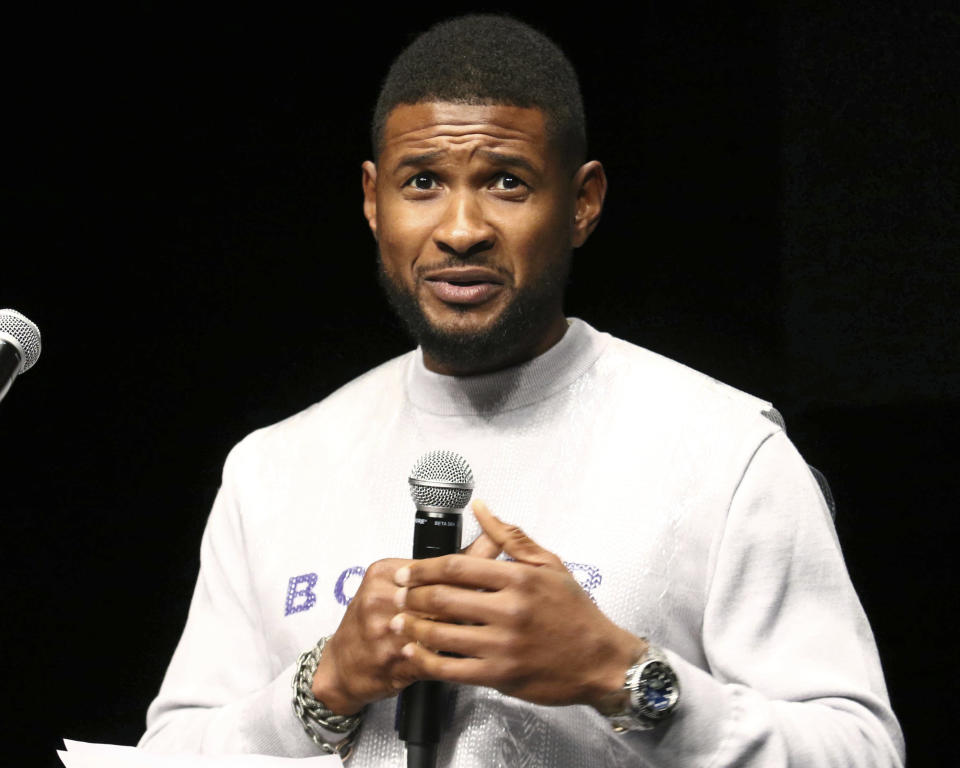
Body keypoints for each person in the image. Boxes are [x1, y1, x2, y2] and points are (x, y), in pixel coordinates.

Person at [139, 14, 905, 767]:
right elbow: (169, 753)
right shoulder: (273, 468)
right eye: (424, 183)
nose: (462, 228)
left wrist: (621, 674)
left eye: (507, 182)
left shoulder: (726, 452)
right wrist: (325, 685)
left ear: (582, 203)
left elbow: (862, 752)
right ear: (374, 202)